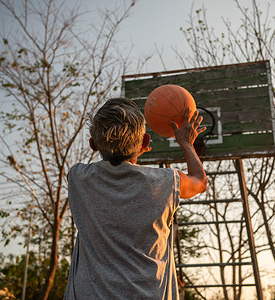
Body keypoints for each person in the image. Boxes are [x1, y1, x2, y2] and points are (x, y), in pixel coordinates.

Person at [64, 98, 207, 299]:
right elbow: (200, 181)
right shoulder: (166, 182)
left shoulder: (78, 178)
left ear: (92, 144)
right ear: (145, 142)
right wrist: (186, 142)